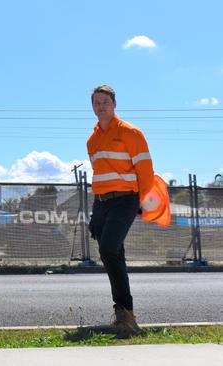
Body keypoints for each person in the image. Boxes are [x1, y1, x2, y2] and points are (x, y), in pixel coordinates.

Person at [87, 84, 155, 334]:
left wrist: (142, 201)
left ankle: (125, 311)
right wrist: (96, 210)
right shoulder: (92, 139)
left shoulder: (130, 132)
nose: (100, 106)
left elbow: (145, 171)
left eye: (105, 102)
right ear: (92, 106)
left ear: (114, 104)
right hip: (102, 202)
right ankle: (124, 316)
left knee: (108, 249)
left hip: (127, 200)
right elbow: (100, 175)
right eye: (96, 102)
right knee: (113, 253)